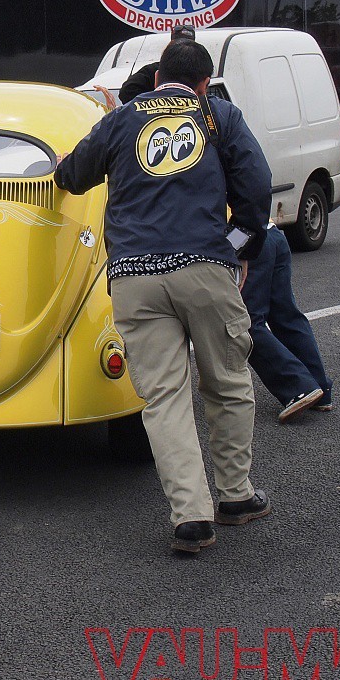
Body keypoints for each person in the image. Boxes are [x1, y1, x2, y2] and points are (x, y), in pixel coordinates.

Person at [54, 40, 272, 554]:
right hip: (204, 266)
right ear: (205, 83)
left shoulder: (120, 119)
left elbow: (74, 174)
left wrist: (62, 167)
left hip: (135, 275)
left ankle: (190, 518)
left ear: (156, 79)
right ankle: (235, 495)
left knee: (164, 398)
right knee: (228, 383)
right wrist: (239, 245)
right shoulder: (219, 116)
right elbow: (257, 184)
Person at [241, 223, 333, 421]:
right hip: (272, 233)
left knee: (245, 324)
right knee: (286, 317)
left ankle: (298, 386)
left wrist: (234, 249)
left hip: (246, 239)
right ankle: (319, 387)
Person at [117, 23, 196, 105]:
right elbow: (126, 92)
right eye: (178, 45)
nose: (182, 50)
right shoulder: (152, 71)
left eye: (186, 46)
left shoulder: (201, 71)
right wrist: (156, 105)